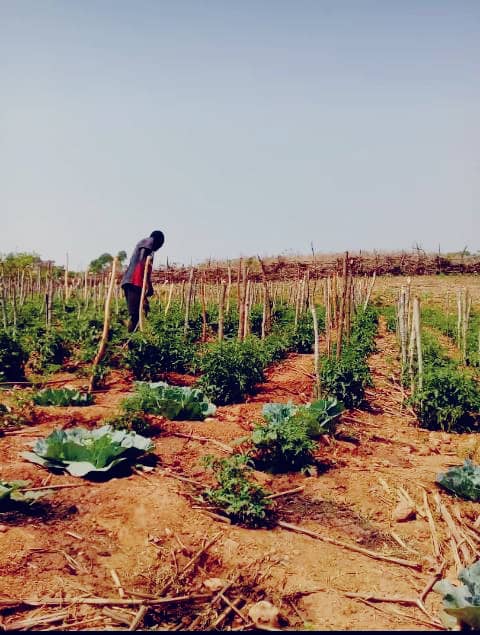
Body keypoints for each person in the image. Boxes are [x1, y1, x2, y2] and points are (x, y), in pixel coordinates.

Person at [121, 230, 165, 332]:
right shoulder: (148, 242)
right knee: (135, 314)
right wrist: (145, 286)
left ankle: (134, 337)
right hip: (133, 282)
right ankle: (131, 341)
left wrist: (149, 286)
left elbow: (146, 272)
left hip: (136, 283)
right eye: (161, 244)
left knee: (142, 311)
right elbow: (141, 266)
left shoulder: (150, 252)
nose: (159, 247)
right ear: (158, 240)